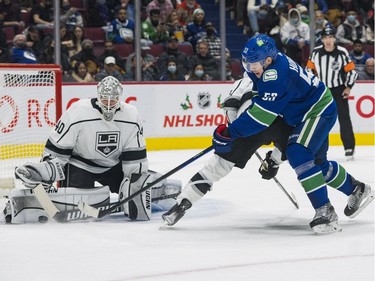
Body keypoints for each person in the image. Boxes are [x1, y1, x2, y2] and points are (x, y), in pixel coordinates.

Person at [163, 34, 374, 234]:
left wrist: (233, 134)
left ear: (269, 59)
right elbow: (222, 158)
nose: (250, 69)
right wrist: (184, 200)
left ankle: (325, 212)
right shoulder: (259, 69)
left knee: (298, 153)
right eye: (247, 64)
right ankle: (357, 189)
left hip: (316, 111)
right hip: (301, 113)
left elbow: (262, 119)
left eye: (254, 64)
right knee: (318, 165)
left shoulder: (275, 75)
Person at [7, 76, 180, 223]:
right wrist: (46, 172)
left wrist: (137, 183)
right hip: (80, 164)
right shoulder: (78, 111)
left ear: (120, 97)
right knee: (78, 200)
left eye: (113, 98)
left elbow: (134, 157)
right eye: (105, 98)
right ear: (98, 95)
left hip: (112, 165)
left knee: (140, 183)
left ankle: (160, 189)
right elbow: (58, 149)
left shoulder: (131, 115)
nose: (109, 103)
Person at [162, 71, 293, 227]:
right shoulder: (281, 77)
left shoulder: (243, 81)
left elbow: (230, 107)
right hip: (278, 123)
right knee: (292, 145)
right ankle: (272, 162)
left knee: (217, 167)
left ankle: (183, 202)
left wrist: (236, 131)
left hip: (247, 124)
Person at [306, 27, 358, 160]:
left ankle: (349, 147)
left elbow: (352, 71)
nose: (328, 40)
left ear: (334, 38)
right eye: (325, 37)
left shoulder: (342, 52)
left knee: (344, 119)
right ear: (322, 39)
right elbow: (308, 70)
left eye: (330, 37)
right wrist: (313, 87)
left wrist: (348, 87)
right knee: (320, 120)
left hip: (338, 90)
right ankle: (318, 149)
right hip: (323, 91)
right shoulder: (316, 53)